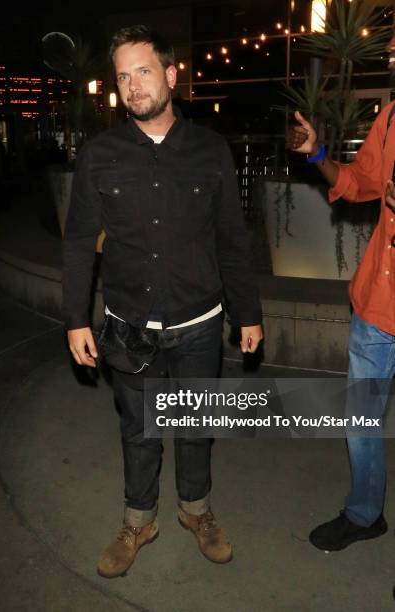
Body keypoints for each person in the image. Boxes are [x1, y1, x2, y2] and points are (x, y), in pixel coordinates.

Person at [62, 25, 263, 578]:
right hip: (128, 327)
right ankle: (138, 520)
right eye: (123, 76)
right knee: (139, 430)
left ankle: (195, 511)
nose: (133, 86)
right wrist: (75, 318)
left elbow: (232, 239)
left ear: (171, 75)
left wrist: (249, 313)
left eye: (143, 71)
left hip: (200, 322)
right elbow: (80, 241)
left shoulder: (209, 150)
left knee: (195, 426)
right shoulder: (100, 156)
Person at [286, 27, 395, 552]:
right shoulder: (394, 116)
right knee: (360, 422)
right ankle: (365, 512)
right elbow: (361, 181)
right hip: (378, 303)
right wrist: (317, 155)